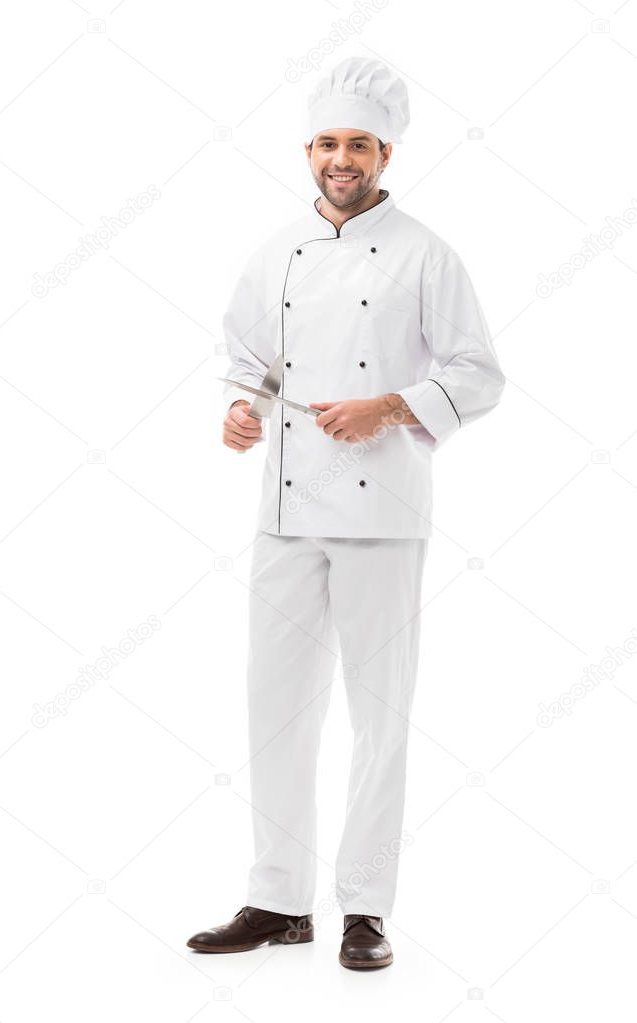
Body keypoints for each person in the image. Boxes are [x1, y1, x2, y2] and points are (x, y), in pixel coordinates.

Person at [187, 55, 505, 970]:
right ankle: (276, 899)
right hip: (284, 509)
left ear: (384, 152)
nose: (340, 158)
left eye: (356, 144)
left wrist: (389, 407)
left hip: (382, 513)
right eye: (326, 142)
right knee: (274, 708)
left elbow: (477, 374)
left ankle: (364, 907)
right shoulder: (275, 251)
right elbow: (245, 356)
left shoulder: (424, 253)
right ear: (308, 150)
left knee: (379, 714)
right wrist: (241, 409)